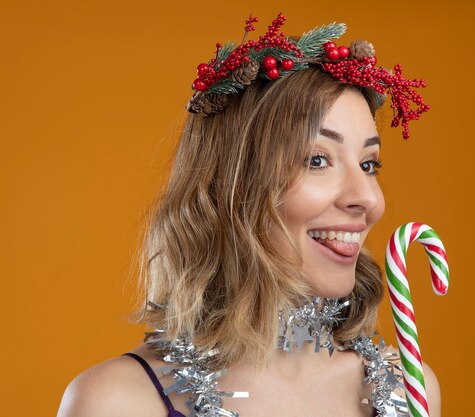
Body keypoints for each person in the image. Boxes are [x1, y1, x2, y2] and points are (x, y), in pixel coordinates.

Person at [57, 13, 441, 417]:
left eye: (368, 164)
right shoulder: (119, 402)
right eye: (316, 159)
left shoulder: (408, 391)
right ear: (233, 185)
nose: (367, 198)